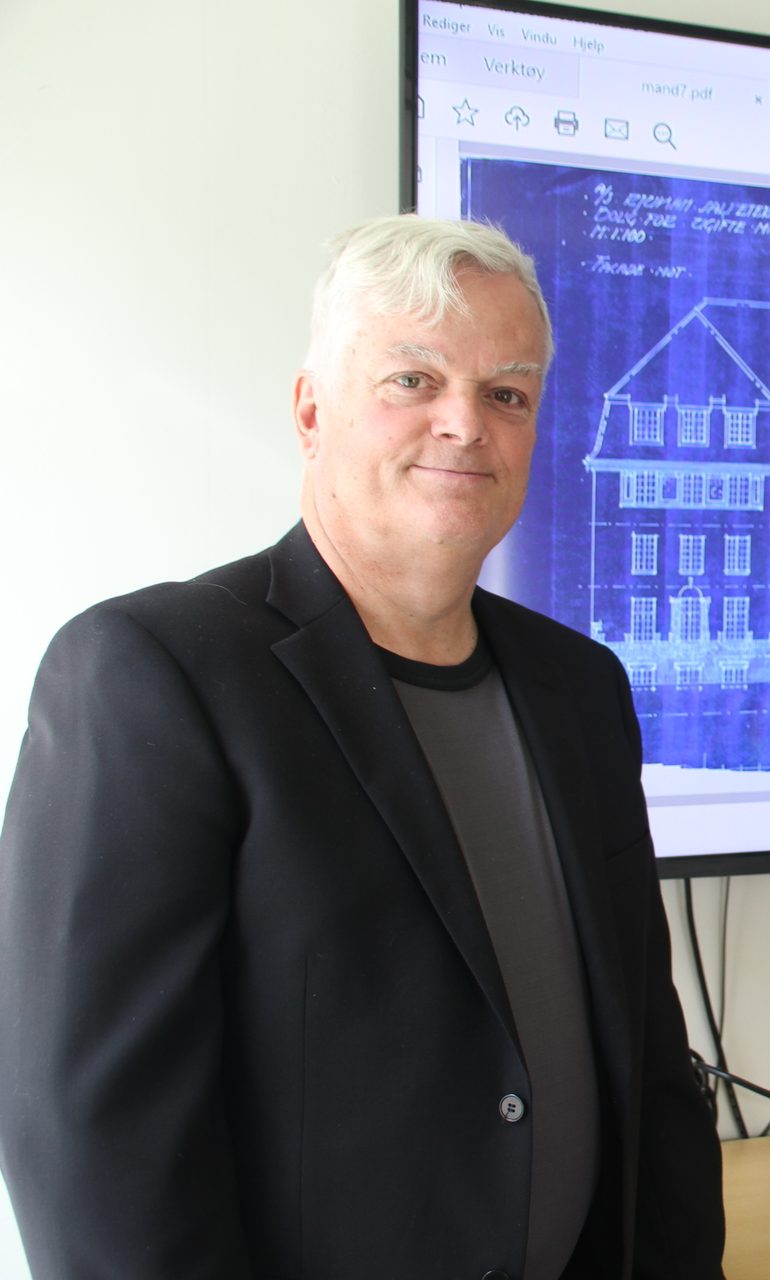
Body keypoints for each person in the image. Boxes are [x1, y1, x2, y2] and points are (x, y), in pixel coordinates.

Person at [0, 216, 725, 1278]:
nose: (464, 423)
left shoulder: (581, 688)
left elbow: (649, 1061)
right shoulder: (153, 673)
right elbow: (96, 1149)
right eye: (412, 379)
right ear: (310, 409)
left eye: (507, 393)